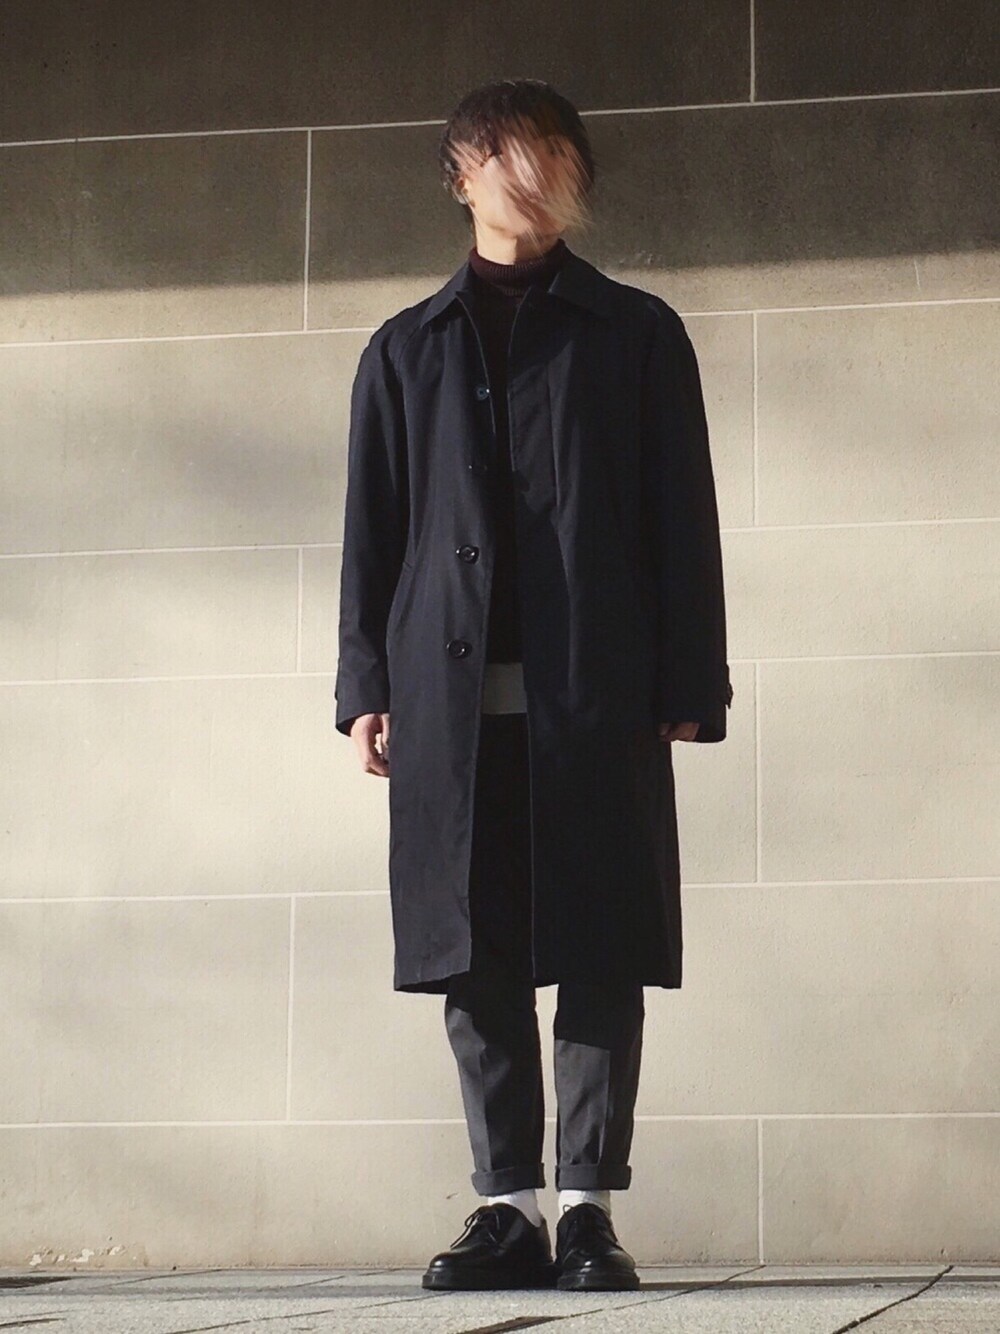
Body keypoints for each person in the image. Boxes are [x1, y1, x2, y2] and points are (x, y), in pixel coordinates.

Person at [335, 78, 732, 1292]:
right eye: (519, 155)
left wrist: (690, 674)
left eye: (563, 156)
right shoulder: (405, 349)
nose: (547, 177)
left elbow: (682, 517)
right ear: (462, 174)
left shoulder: (637, 333)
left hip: (597, 692)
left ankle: (587, 1207)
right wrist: (363, 682)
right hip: (447, 701)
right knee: (476, 953)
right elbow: (372, 532)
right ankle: (505, 1205)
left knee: (603, 943)